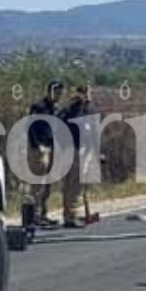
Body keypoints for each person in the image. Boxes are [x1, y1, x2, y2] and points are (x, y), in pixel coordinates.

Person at [24, 81, 63, 226]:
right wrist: (36, 145)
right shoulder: (39, 106)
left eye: (59, 92)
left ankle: (42, 213)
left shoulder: (55, 108)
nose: (58, 95)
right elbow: (30, 127)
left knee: (47, 185)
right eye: (55, 91)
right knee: (37, 184)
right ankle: (33, 216)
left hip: (51, 148)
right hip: (39, 149)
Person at [57, 84, 95, 228]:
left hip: (70, 149)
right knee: (74, 184)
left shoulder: (71, 109)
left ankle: (68, 214)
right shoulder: (79, 110)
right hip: (76, 149)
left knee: (70, 184)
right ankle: (71, 216)